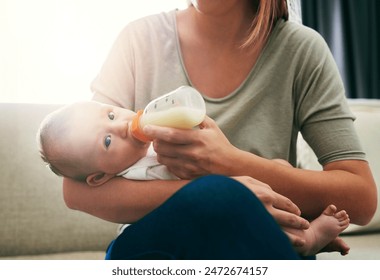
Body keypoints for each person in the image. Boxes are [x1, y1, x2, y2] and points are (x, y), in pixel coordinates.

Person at [60, 0, 377, 260]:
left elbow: (361, 200)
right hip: (157, 248)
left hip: (258, 246)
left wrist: (230, 162)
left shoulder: (301, 51)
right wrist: (233, 193)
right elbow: (75, 190)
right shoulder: (138, 41)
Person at [37, 100, 351, 256]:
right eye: (107, 142)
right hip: (166, 246)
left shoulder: (162, 141)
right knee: (229, 204)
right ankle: (306, 241)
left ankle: (302, 229)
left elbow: (216, 165)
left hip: (223, 221)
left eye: (110, 114)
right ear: (97, 176)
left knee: (277, 168)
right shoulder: (126, 175)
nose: (120, 126)